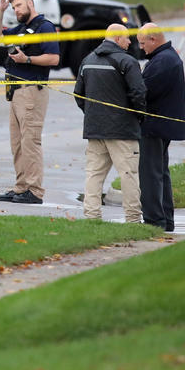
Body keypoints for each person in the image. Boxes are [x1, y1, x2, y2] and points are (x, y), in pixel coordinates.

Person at [73, 24, 147, 222]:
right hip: (123, 131)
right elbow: (138, 93)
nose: (130, 42)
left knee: (94, 175)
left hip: (95, 130)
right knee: (128, 174)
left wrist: (91, 113)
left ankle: (91, 216)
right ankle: (132, 219)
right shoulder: (127, 61)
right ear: (117, 38)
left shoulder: (87, 60)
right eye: (127, 38)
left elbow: (78, 94)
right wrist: (139, 116)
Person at [0, 0, 60, 204]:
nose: (17, 10)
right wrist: (0, 12)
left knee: (30, 142)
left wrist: (26, 59)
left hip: (31, 90)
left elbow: (54, 58)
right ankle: (21, 187)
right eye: (14, 7)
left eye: (19, 5)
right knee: (18, 144)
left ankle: (35, 191)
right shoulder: (21, 29)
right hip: (16, 92)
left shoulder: (44, 27)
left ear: (30, 3)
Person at [137, 23, 185, 231]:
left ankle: (154, 220)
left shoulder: (162, 61)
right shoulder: (166, 57)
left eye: (142, 43)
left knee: (150, 173)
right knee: (160, 172)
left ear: (153, 40)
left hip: (154, 125)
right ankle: (166, 219)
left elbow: (143, 92)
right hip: (162, 125)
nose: (141, 48)